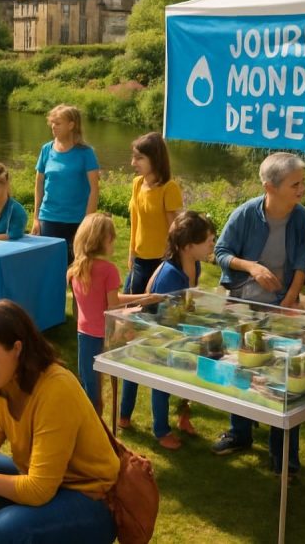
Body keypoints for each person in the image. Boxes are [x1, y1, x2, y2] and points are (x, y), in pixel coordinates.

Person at [0, 300, 119, 544]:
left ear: (17, 348)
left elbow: (39, 491)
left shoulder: (56, 390)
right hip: (51, 486)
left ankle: (28, 531)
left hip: (93, 500)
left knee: (3, 530)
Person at [211, 152, 305, 477]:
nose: (302, 189)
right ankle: (240, 434)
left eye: (302, 183)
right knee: (243, 371)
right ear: (270, 187)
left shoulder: (301, 218)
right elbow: (220, 253)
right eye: (295, 184)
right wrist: (252, 267)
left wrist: (290, 300)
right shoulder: (244, 214)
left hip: (282, 308)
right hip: (243, 305)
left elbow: (301, 263)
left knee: (284, 379)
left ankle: (284, 457)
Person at [119, 132, 184, 438]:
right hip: (140, 266)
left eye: (138, 158)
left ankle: (169, 420)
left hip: (163, 268)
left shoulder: (169, 189)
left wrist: (168, 268)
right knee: (130, 334)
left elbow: (177, 234)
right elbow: (135, 224)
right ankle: (124, 414)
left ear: (154, 159)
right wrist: (131, 255)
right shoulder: (136, 184)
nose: (133, 163)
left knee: (161, 338)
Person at [131, 210, 218, 440]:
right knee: (164, 375)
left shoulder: (195, 265)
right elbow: (161, 318)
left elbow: (185, 302)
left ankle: (183, 414)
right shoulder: (170, 274)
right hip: (158, 330)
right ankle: (161, 430)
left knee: (189, 370)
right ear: (188, 246)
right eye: (208, 240)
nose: (213, 243)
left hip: (177, 323)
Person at [67, 213, 149, 417]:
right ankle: (101, 430)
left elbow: (96, 302)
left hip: (84, 334)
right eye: (112, 237)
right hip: (105, 335)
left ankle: (89, 425)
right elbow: (112, 306)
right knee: (103, 389)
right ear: (104, 240)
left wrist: (142, 297)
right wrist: (135, 308)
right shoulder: (109, 270)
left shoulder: (76, 269)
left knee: (89, 387)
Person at [31, 104, 100, 263]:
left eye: (58, 123)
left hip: (77, 221)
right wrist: (36, 218)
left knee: (78, 269)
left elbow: (94, 189)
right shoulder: (46, 150)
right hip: (49, 219)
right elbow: (39, 184)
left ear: (71, 125)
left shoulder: (86, 153)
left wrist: (87, 223)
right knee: (50, 267)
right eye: (52, 123)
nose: (53, 127)